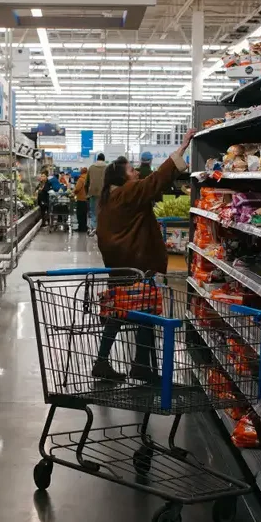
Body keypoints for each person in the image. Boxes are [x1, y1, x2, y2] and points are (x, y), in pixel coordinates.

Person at [92, 129, 196, 382]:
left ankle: (121, 363)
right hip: (135, 264)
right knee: (143, 310)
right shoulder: (127, 192)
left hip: (120, 265)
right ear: (122, 177)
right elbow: (155, 181)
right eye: (131, 170)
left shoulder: (109, 197)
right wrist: (182, 148)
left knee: (122, 312)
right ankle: (137, 366)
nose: (136, 172)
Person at [86, 153, 106, 235]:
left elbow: (87, 182)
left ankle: (94, 228)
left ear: (97, 159)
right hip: (104, 193)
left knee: (93, 211)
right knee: (102, 211)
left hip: (93, 192)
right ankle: (102, 228)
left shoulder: (91, 167)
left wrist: (87, 193)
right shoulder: (107, 168)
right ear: (104, 159)